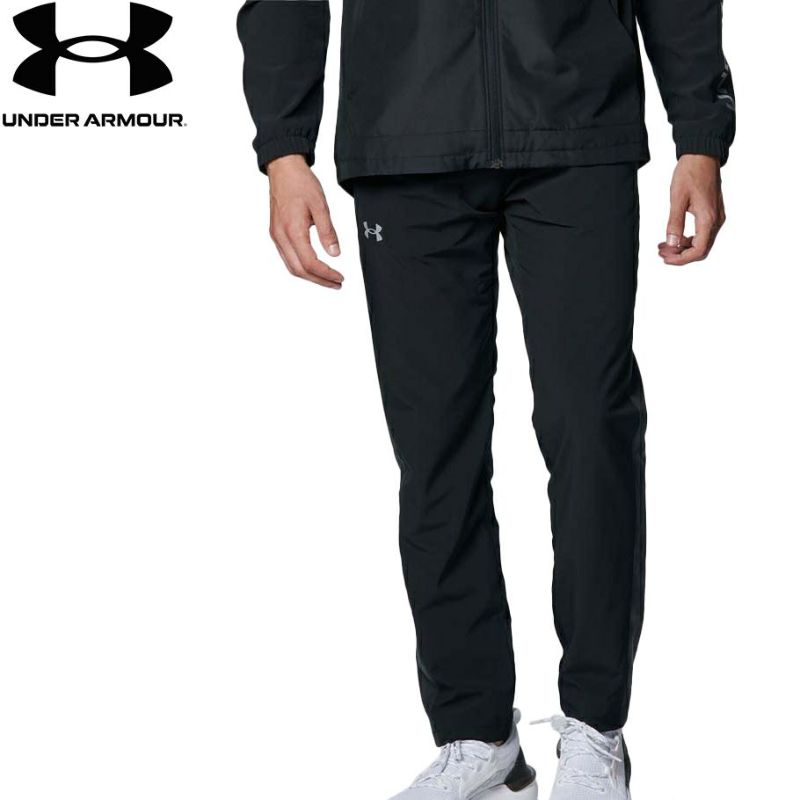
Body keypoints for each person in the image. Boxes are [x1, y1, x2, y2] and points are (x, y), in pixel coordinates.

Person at [238, 2, 735, 798]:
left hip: (578, 125)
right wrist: (283, 148)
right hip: (406, 134)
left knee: (592, 427)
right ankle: (479, 739)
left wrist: (700, 134)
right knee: (436, 451)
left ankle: (597, 729)